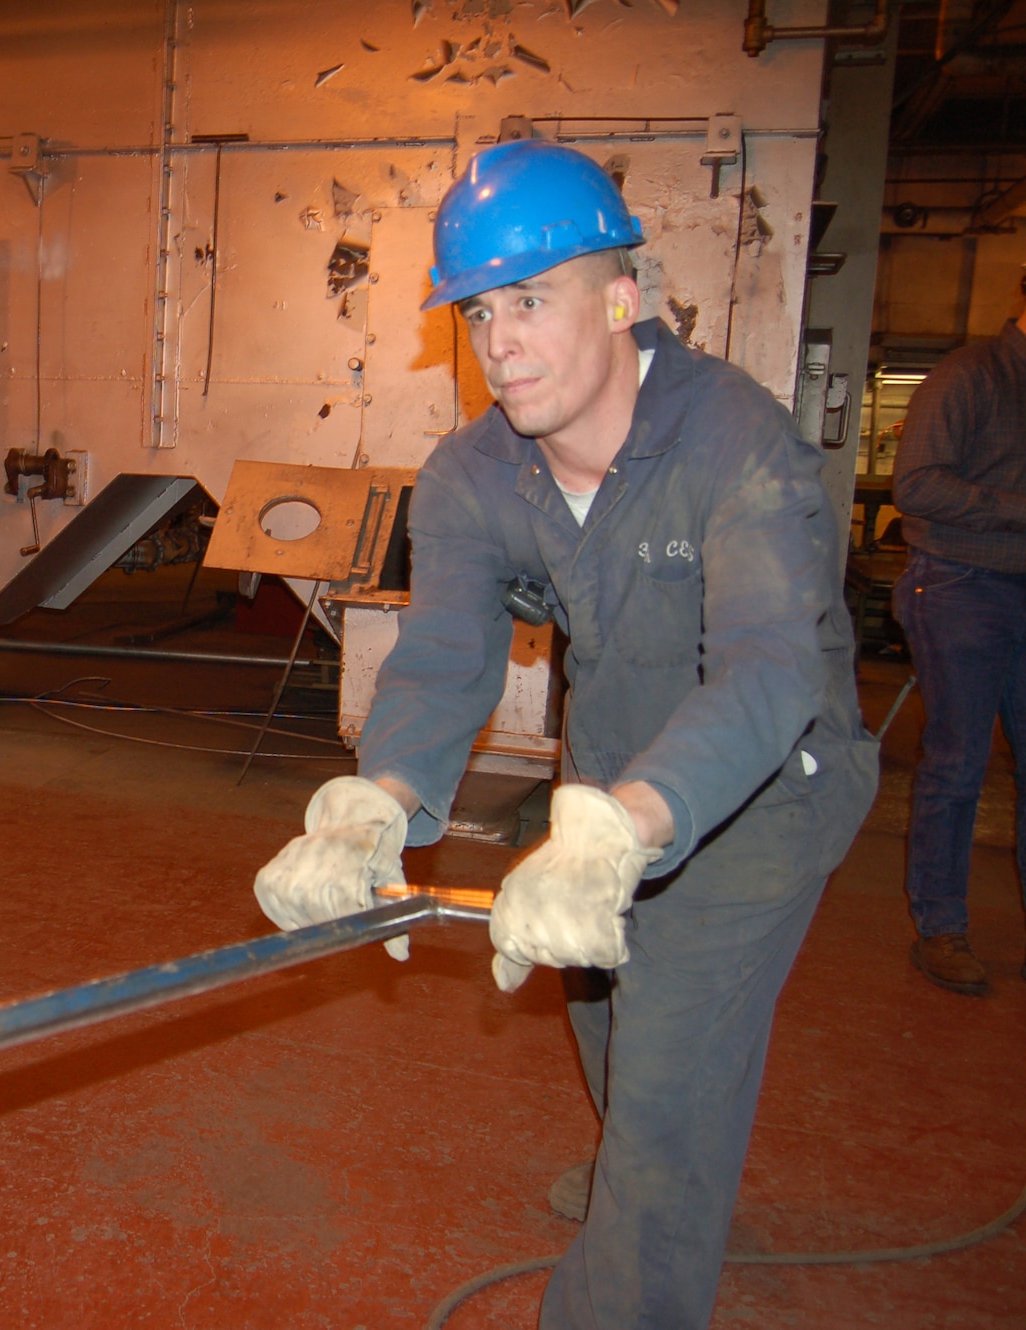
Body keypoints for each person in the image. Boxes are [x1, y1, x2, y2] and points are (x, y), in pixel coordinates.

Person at [253, 138, 878, 1329]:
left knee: (668, 1068)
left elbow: (766, 667)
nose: (498, 344)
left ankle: (634, 1250)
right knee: (596, 1006)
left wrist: (628, 827)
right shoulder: (474, 474)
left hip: (761, 789)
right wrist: (376, 797)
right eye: (477, 312)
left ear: (619, 300)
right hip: (604, 772)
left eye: (530, 302)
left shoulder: (733, 443)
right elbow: (441, 656)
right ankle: (640, 1160)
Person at [890, 288, 1026, 997]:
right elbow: (916, 483)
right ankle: (941, 927)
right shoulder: (971, 376)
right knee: (958, 761)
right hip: (961, 585)